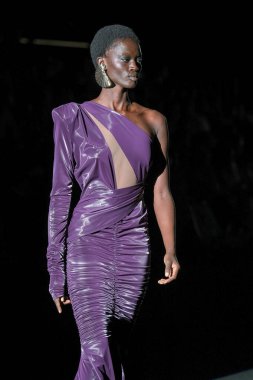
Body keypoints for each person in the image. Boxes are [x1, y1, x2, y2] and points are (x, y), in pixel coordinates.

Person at [46, 24, 180, 380]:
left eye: (139, 59)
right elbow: (61, 194)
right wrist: (54, 268)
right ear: (103, 62)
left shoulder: (155, 121)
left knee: (115, 345)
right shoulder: (72, 118)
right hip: (88, 241)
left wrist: (170, 250)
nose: (135, 66)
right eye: (126, 59)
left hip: (135, 242)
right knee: (96, 344)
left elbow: (161, 191)